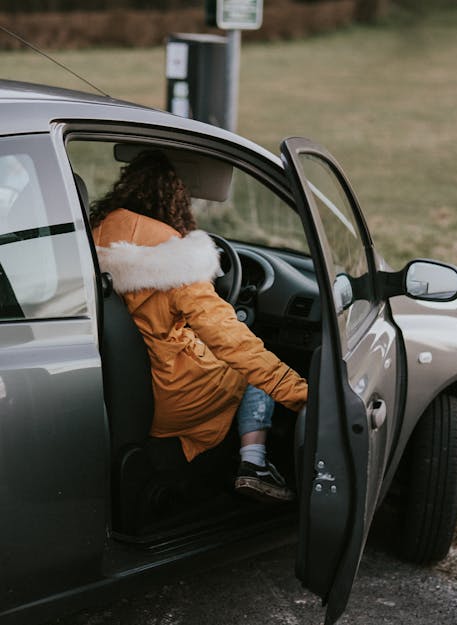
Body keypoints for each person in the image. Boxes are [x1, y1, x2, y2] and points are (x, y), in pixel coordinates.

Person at [91, 150, 308, 503]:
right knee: (251, 364)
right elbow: (232, 341)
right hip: (172, 393)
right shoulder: (176, 258)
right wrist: (301, 396)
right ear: (175, 199)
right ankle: (254, 463)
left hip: (117, 383)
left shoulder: (94, 234)